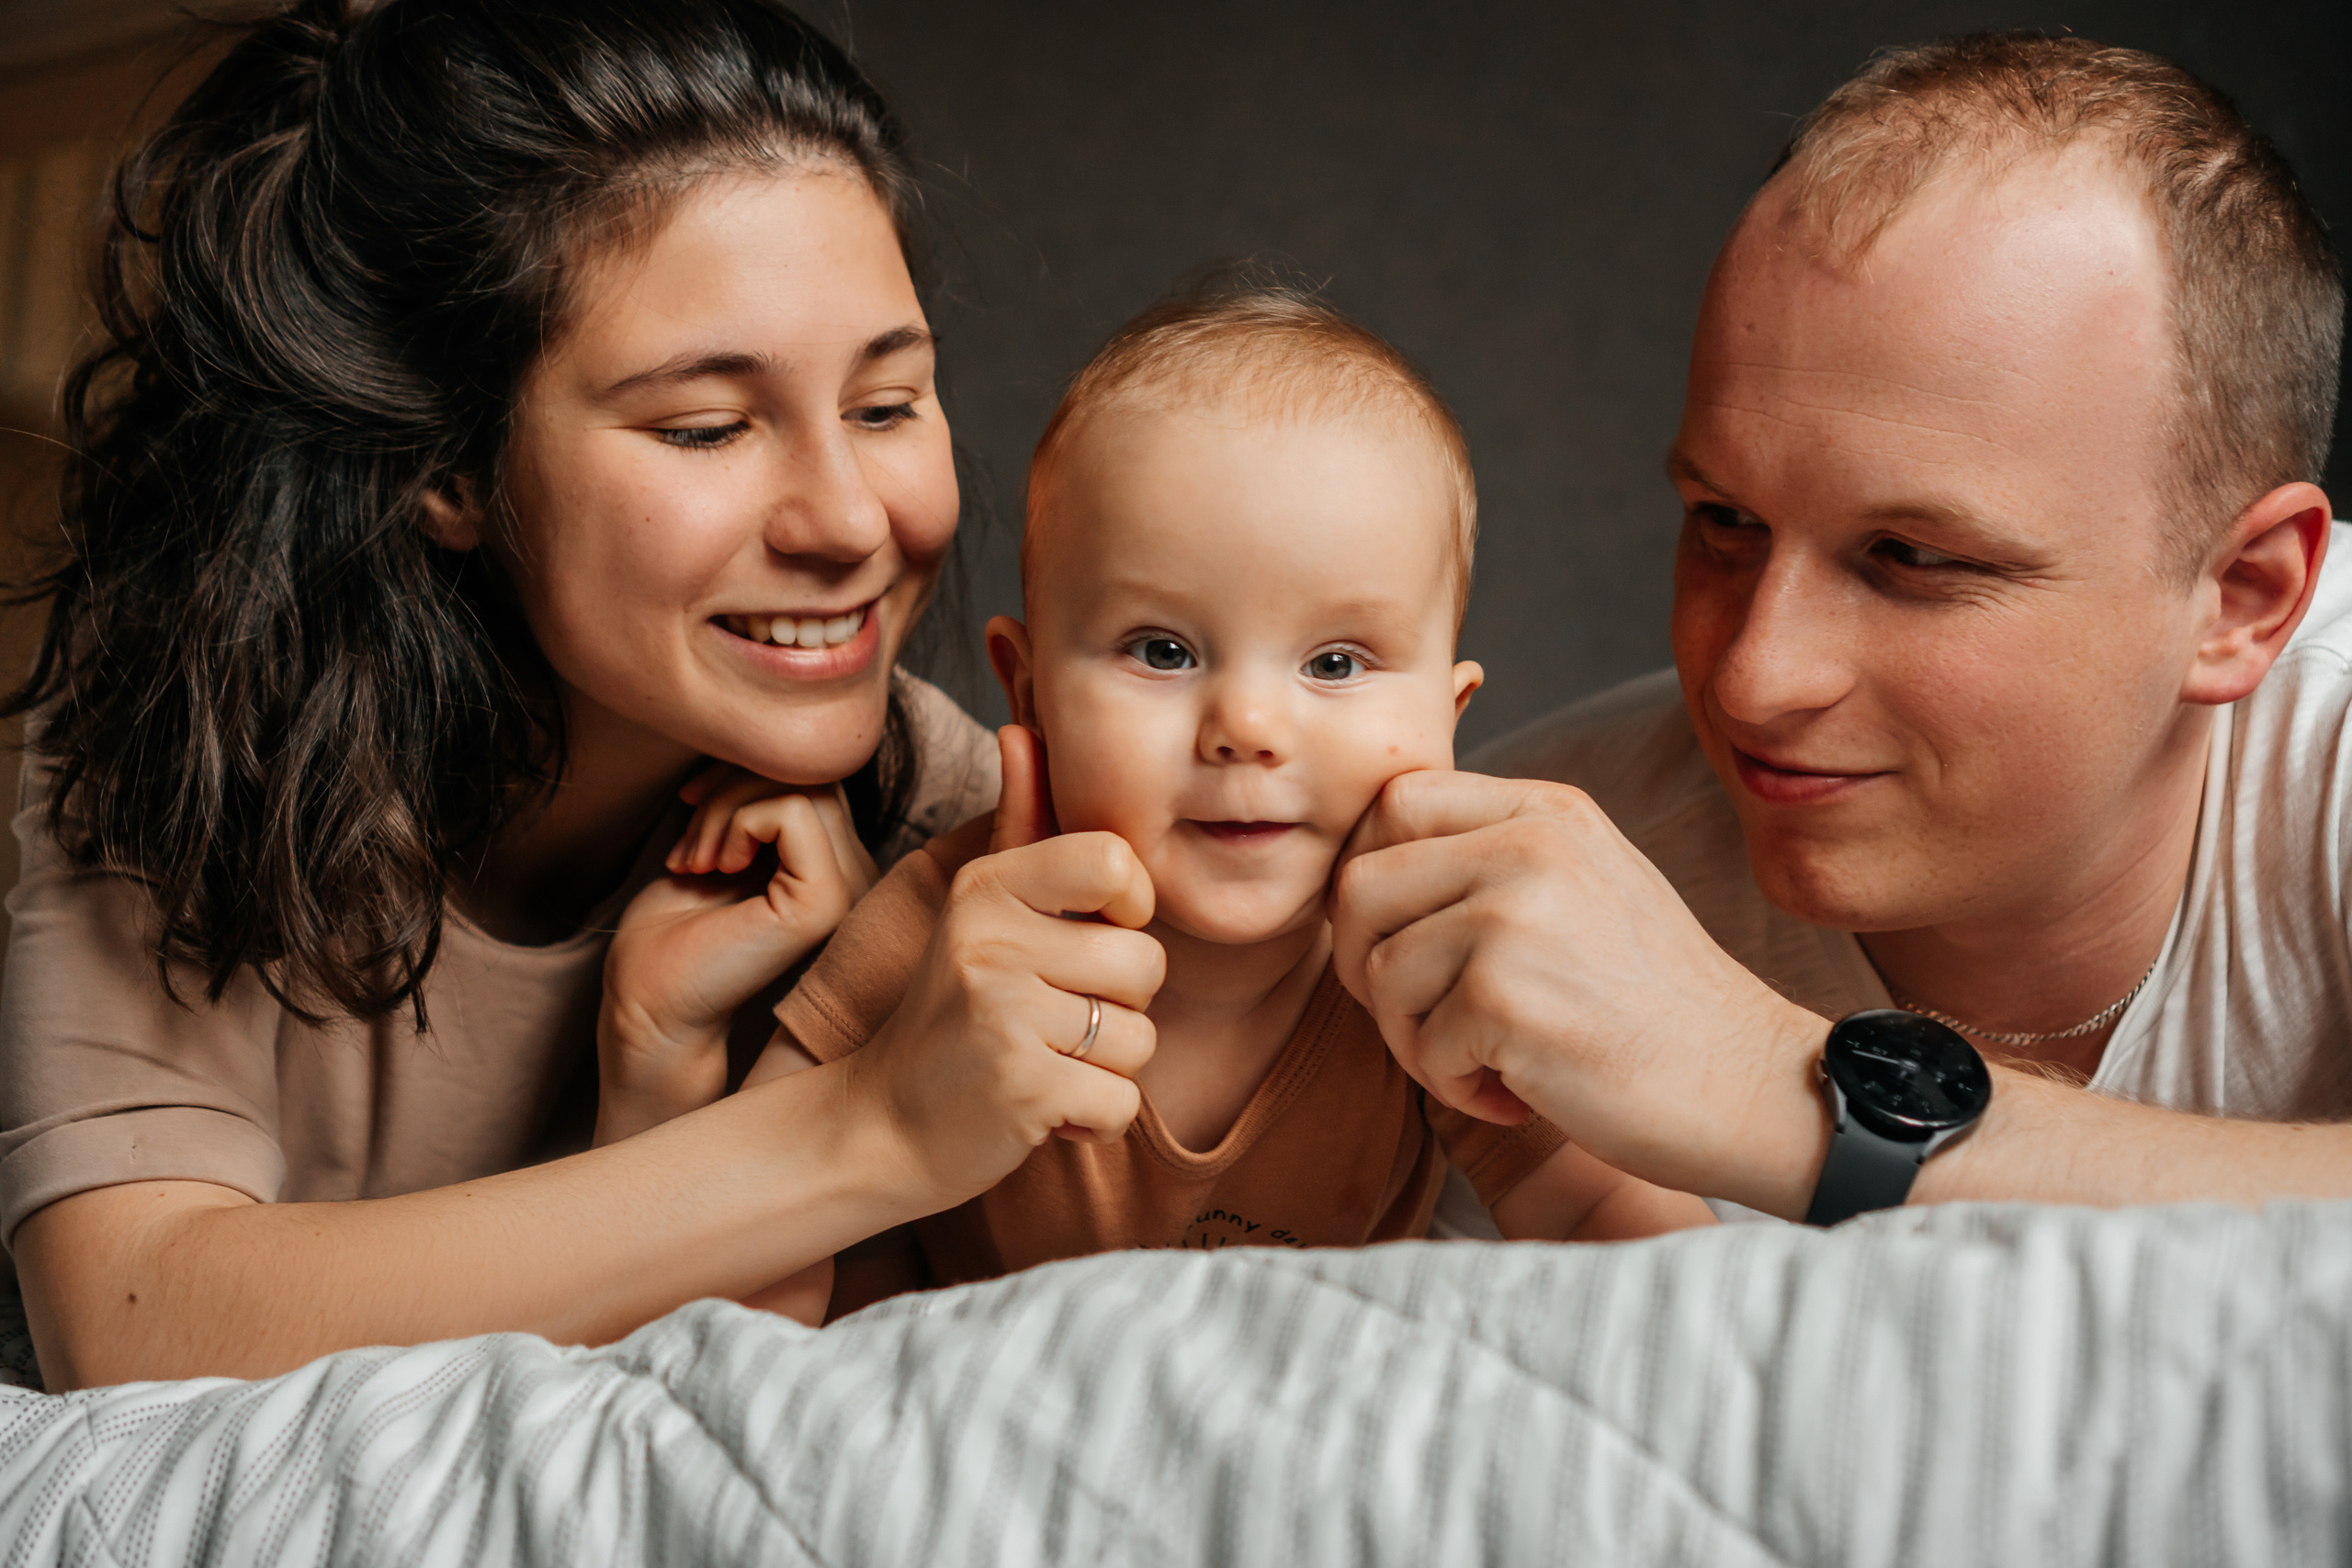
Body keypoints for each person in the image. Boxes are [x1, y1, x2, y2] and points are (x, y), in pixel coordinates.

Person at [0, 0, 1154, 1389]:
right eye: (708, 428)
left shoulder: (954, 822)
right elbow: (130, 1323)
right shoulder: (192, 737)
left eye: (887, 404)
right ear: (448, 469)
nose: (852, 519)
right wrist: (864, 1126)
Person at [1333, 33, 2351, 1225]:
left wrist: (1773, 1091)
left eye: (1912, 557)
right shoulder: (1504, 923)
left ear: (2242, 597)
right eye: (1724, 521)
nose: (1752, 680)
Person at [669, 282, 1709, 1314]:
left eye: (1336, 664)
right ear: (1028, 691)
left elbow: (1617, 1229)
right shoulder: (950, 929)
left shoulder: (1435, 960)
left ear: (1449, 714)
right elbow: (755, 1233)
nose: (1246, 726)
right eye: (1163, 651)